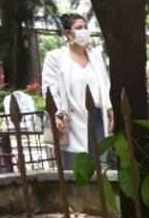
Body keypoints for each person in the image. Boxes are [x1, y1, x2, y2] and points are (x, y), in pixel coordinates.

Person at [41, 13, 114, 170]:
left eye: (86, 27)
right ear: (68, 33)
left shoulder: (95, 55)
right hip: (71, 120)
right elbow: (50, 88)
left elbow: (105, 84)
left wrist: (110, 108)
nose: (84, 31)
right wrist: (55, 114)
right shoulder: (56, 58)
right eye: (79, 28)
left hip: (97, 118)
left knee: (101, 167)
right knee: (75, 169)